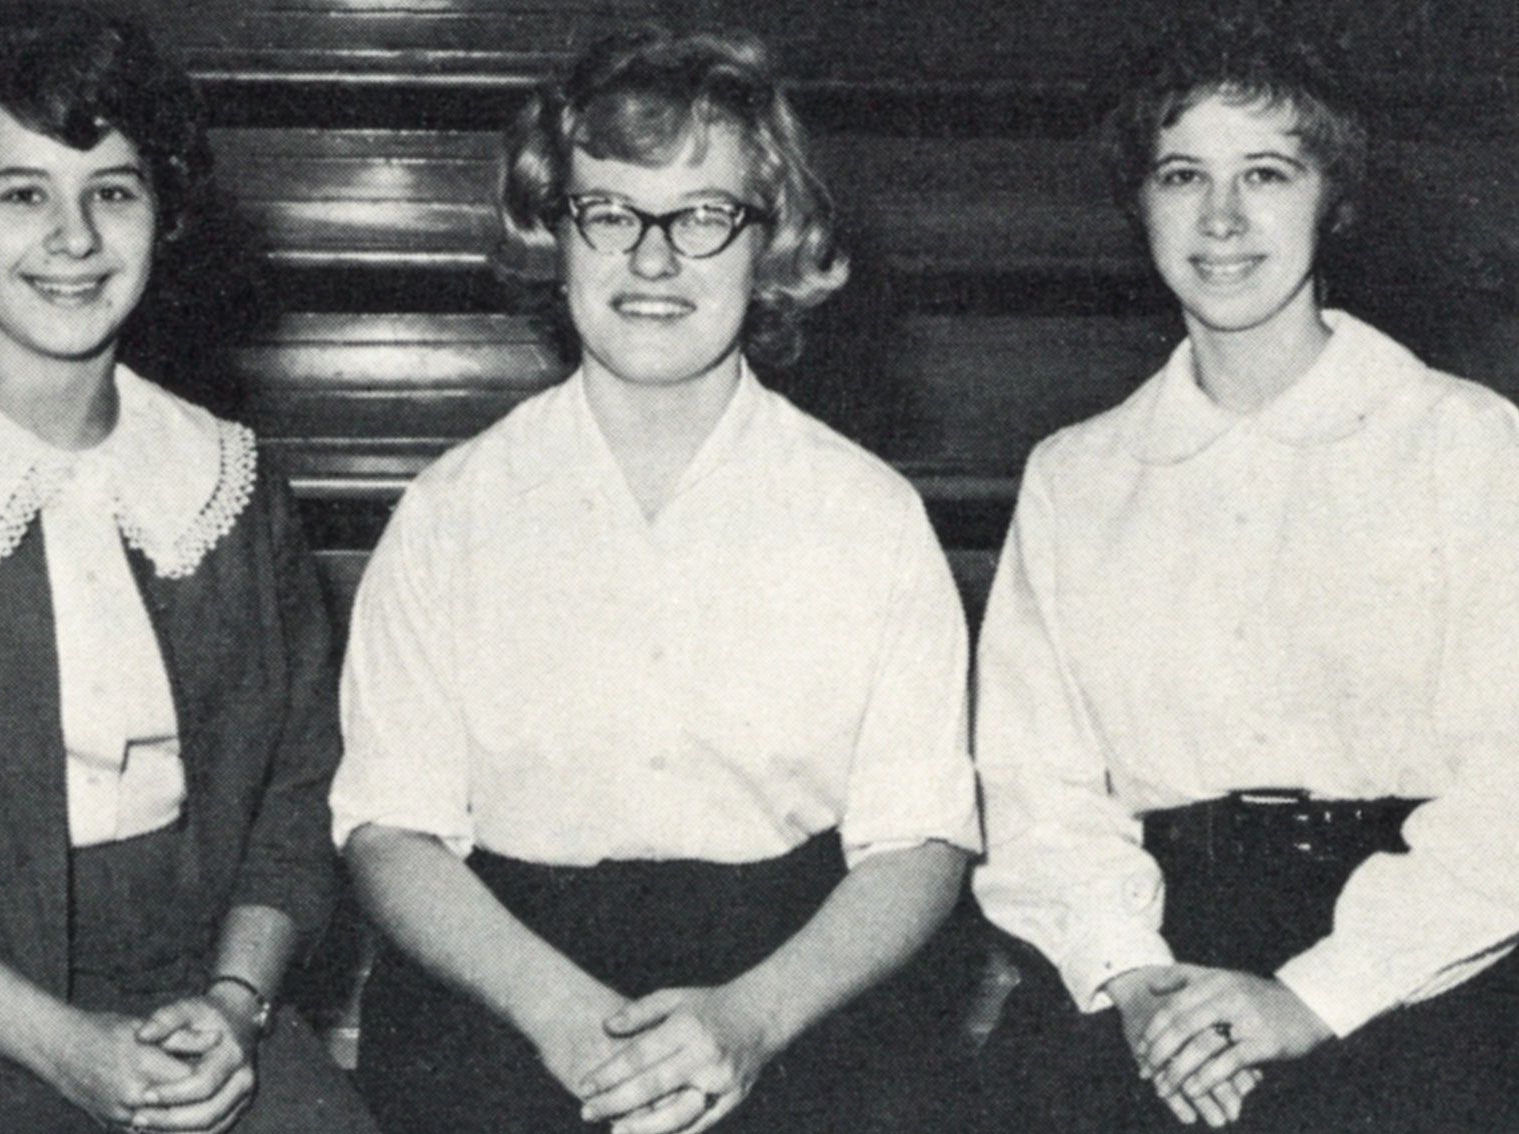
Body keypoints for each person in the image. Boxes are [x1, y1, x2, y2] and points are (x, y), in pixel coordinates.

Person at [330, 26, 981, 1134]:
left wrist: (753, 1022)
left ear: (769, 243)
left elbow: (921, 839)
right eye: (612, 214)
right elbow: (389, 831)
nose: (653, 260)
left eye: (703, 217)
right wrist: (563, 1018)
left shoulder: (867, 515)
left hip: (796, 983)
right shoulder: (453, 510)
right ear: (557, 231)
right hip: (507, 987)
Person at [0, 10, 375, 1133]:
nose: (76, 237)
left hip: (197, 991)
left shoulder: (227, 477)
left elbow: (298, 787)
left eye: (114, 191)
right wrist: (64, 1051)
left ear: (163, 217)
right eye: (22, 193)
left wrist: (235, 1007)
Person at [972, 19, 1519, 1134]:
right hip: (1148, 966)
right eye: (1184, 176)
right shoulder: (1078, 475)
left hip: (1420, 966)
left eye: (1265, 173)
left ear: (1333, 199)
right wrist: (1139, 986)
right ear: (1143, 205)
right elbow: (1038, 792)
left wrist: (1312, 999)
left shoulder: (1467, 445)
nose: (1221, 219)